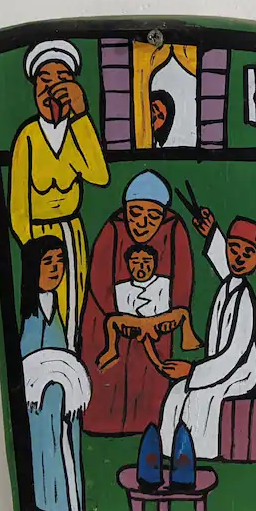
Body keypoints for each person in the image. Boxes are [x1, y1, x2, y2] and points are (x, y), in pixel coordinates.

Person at [9, 39, 110, 354]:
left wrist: (81, 115)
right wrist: (33, 252)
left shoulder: (77, 131)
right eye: (45, 80)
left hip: (71, 236)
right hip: (39, 240)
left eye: (62, 79)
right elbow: (18, 208)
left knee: (73, 307)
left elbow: (99, 175)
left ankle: (72, 365)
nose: (53, 88)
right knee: (41, 309)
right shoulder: (28, 136)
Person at [80, 171, 195, 435]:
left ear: (163, 215)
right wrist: (123, 318)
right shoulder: (113, 228)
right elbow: (99, 278)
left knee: (149, 376)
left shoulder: (174, 228)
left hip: (157, 321)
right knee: (109, 373)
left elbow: (183, 277)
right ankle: (102, 425)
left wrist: (167, 317)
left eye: (153, 216)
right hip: (110, 319)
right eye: (135, 214)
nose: (142, 223)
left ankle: (147, 424)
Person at [158, 208, 256, 459]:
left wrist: (192, 371)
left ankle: (198, 454)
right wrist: (211, 232)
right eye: (234, 249)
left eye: (248, 253)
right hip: (215, 368)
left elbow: (234, 355)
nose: (239, 258)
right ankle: (168, 452)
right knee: (177, 393)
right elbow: (223, 262)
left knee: (202, 398)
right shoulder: (228, 284)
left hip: (238, 373)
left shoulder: (245, 298)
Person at [19, 236, 91, 511]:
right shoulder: (30, 314)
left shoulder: (55, 307)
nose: (55, 268)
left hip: (61, 406)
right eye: (47, 261)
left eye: (60, 261)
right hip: (40, 409)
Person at [96, 243, 202, 371]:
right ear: (128, 264)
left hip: (158, 321)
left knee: (182, 313)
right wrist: (138, 324)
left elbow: (164, 308)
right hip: (134, 323)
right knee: (112, 321)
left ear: (154, 263)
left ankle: (189, 342)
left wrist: (154, 323)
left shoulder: (164, 283)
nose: (141, 266)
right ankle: (111, 350)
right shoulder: (121, 288)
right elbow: (124, 313)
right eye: (135, 262)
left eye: (146, 261)